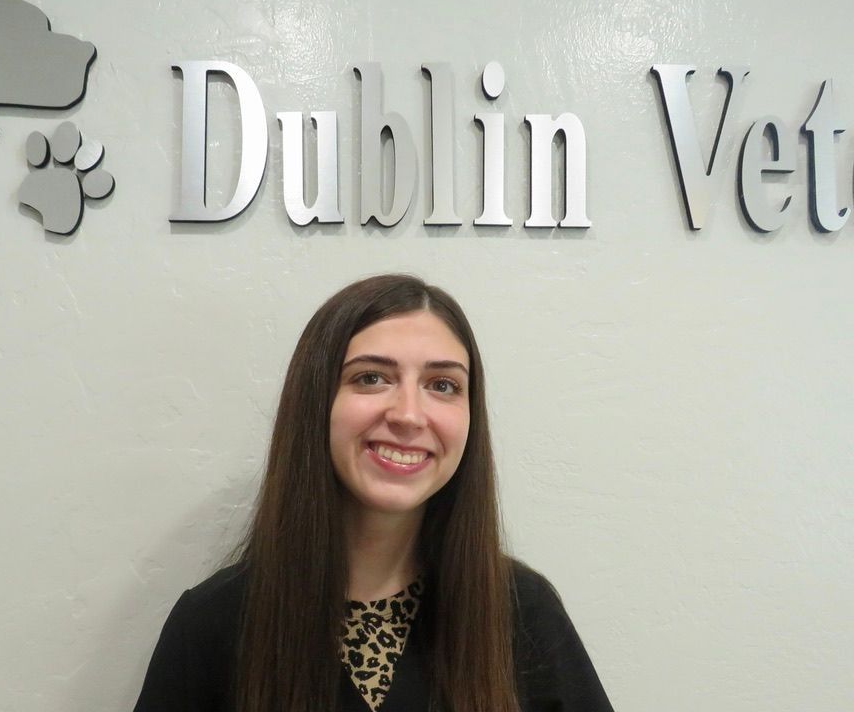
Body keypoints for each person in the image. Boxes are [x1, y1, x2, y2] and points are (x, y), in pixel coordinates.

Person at [133, 274, 614, 712]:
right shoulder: (213, 624)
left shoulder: (522, 613)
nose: (408, 414)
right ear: (316, 403)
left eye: (443, 385)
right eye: (371, 378)